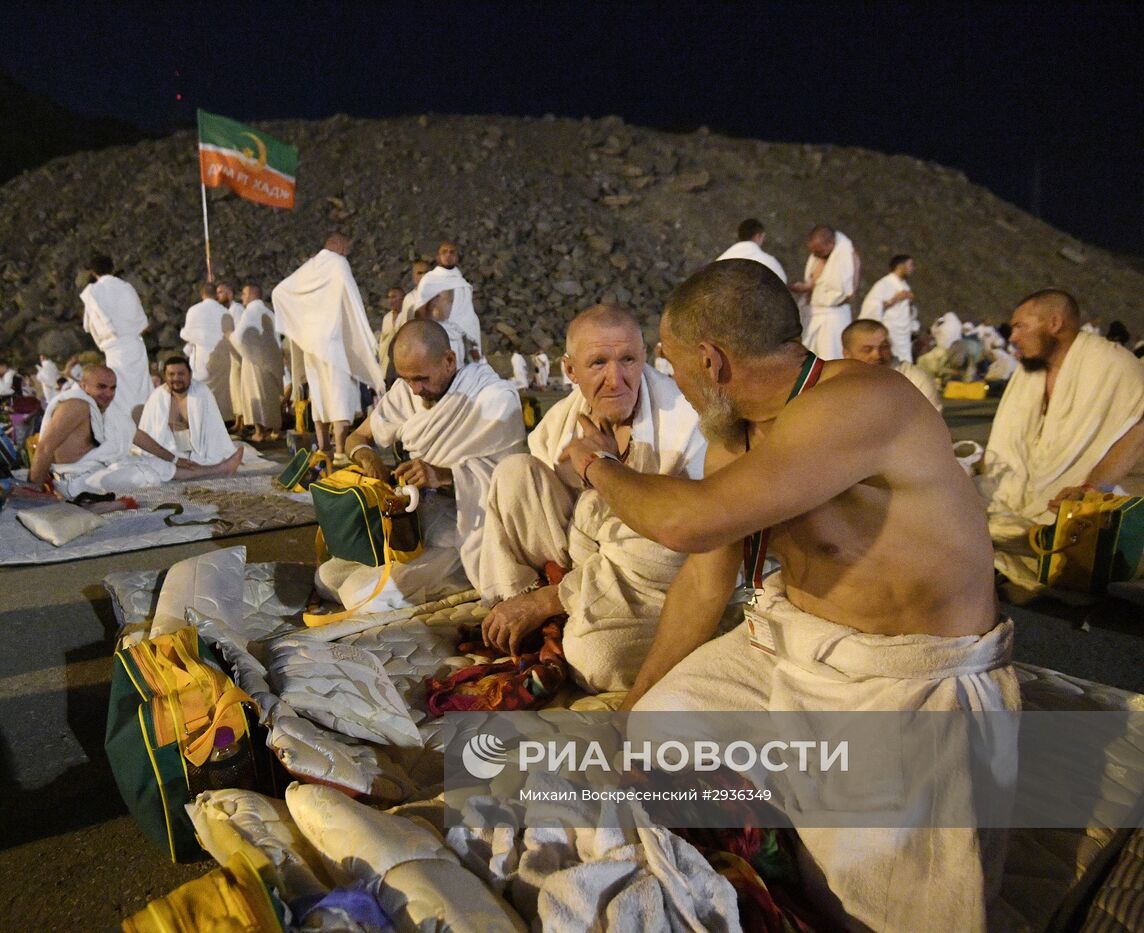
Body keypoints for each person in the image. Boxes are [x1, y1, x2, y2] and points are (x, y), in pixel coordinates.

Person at [558, 259, 1014, 932]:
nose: (671, 381)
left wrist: (595, 465)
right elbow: (705, 576)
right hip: (791, 642)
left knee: (865, 905)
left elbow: (687, 522)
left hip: (906, 678)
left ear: (711, 361)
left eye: (672, 364)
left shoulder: (861, 401)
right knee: (657, 735)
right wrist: (634, 706)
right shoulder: (736, 435)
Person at [478, 304, 706, 693]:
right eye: (598, 363)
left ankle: (550, 613)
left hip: (644, 579)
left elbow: (669, 553)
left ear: (645, 357)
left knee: (598, 661)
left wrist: (609, 470)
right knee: (514, 473)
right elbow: (545, 518)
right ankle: (527, 615)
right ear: (570, 370)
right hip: (585, 562)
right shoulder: (560, 423)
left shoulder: (685, 428)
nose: (616, 379)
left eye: (628, 360)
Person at [324, 320, 525, 610]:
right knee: (327, 577)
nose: (415, 390)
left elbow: (512, 483)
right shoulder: (405, 392)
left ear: (449, 361)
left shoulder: (494, 399)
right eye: (406, 379)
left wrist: (444, 475)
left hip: (466, 529)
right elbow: (356, 438)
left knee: (360, 595)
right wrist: (369, 458)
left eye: (421, 379)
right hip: (413, 525)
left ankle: (464, 577)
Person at [980, 289, 1144, 591]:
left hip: (1086, 497)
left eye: (1020, 326)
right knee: (960, 509)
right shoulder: (1029, 371)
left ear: (1054, 323)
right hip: (1019, 495)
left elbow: (1139, 432)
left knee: (992, 529)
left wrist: (1092, 488)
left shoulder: (1112, 365)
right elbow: (1010, 442)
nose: (1012, 337)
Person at [29, 365, 236, 498]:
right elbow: (46, 446)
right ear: (84, 386)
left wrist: (174, 459)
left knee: (153, 463)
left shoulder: (104, 408)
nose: (108, 394)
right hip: (75, 483)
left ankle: (218, 469)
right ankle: (217, 469)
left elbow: (136, 436)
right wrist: (34, 489)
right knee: (145, 474)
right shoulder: (76, 405)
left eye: (113, 388)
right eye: (101, 387)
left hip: (94, 471)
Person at [272, 233, 385, 458]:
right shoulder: (338, 263)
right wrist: (362, 336)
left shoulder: (309, 267)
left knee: (319, 394)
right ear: (340, 246)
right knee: (340, 393)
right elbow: (352, 299)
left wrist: (301, 328)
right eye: (347, 249)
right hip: (334, 343)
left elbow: (279, 292)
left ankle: (323, 447)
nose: (347, 254)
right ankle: (341, 450)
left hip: (311, 345)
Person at [137, 356, 245, 473]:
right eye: (171, 374)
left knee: (209, 459)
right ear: (165, 376)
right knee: (156, 467)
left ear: (190, 374)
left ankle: (213, 466)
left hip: (197, 450)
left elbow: (214, 428)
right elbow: (149, 432)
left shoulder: (202, 392)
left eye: (181, 374)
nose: (176, 378)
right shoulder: (157, 397)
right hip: (169, 451)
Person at [79, 254, 153, 418]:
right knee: (141, 389)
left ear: (92, 272)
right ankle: (147, 425)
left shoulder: (93, 292)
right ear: (112, 268)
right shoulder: (126, 287)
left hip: (114, 347)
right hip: (135, 345)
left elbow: (89, 325)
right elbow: (142, 321)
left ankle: (125, 428)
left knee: (118, 390)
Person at [789, 225, 859, 360]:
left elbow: (848, 292)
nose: (815, 255)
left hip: (832, 319)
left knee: (830, 359)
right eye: (813, 252)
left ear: (831, 243)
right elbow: (815, 283)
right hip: (812, 315)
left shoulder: (847, 256)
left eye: (818, 251)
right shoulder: (819, 257)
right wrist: (805, 287)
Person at [842, 319, 942, 412]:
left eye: (884, 347)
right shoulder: (838, 383)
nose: (877, 355)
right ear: (847, 354)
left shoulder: (913, 379)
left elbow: (932, 421)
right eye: (867, 350)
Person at [229, 285, 285, 441]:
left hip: (254, 360)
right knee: (271, 395)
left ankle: (259, 432)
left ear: (252, 294)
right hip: (272, 360)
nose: (242, 297)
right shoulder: (269, 312)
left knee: (255, 393)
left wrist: (229, 337)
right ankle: (275, 430)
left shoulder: (250, 312)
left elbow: (239, 337)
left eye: (244, 293)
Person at [414, 241, 483, 362]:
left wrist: (474, 343)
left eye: (452, 252)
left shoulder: (461, 283)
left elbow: (469, 317)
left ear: (457, 257)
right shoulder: (429, 280)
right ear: (438, 257)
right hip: (437, 338)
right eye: (444, 252)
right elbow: (419, 313)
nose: (448, 255)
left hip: (460, 340)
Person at [180, 282, 237, 413]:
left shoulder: (194, 310)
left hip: (201, 357)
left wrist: (182, 332)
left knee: (200, 393)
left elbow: (188, 334)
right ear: (216, 295)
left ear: (202, 294)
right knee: (221, 394)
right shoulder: (225, 312)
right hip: (222, 357)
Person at [859, 254, 917, 362]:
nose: (913, 268)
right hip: (889, 331)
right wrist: (895, 299)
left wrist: (910, 304)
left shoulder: (905, 286)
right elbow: (871, 306)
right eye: (910, 265)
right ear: (900, 266)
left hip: (903, 335)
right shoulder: (884, 284)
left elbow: (907, 312)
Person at [217, 282, 248, 434]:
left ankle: (242, 421)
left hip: (238, 354)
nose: (218, 296)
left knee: (239, 386)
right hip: (229, 354)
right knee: (234, 388)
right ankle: (237, 420)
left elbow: (239, 333)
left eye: (221, 292)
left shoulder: (237, 310)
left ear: (229, 293)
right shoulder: (225, 311)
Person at [714, 218, 787, 283]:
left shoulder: (720, 260)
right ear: (758, 236)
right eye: (763, 237)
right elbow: (781, 286)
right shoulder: (769, 262)